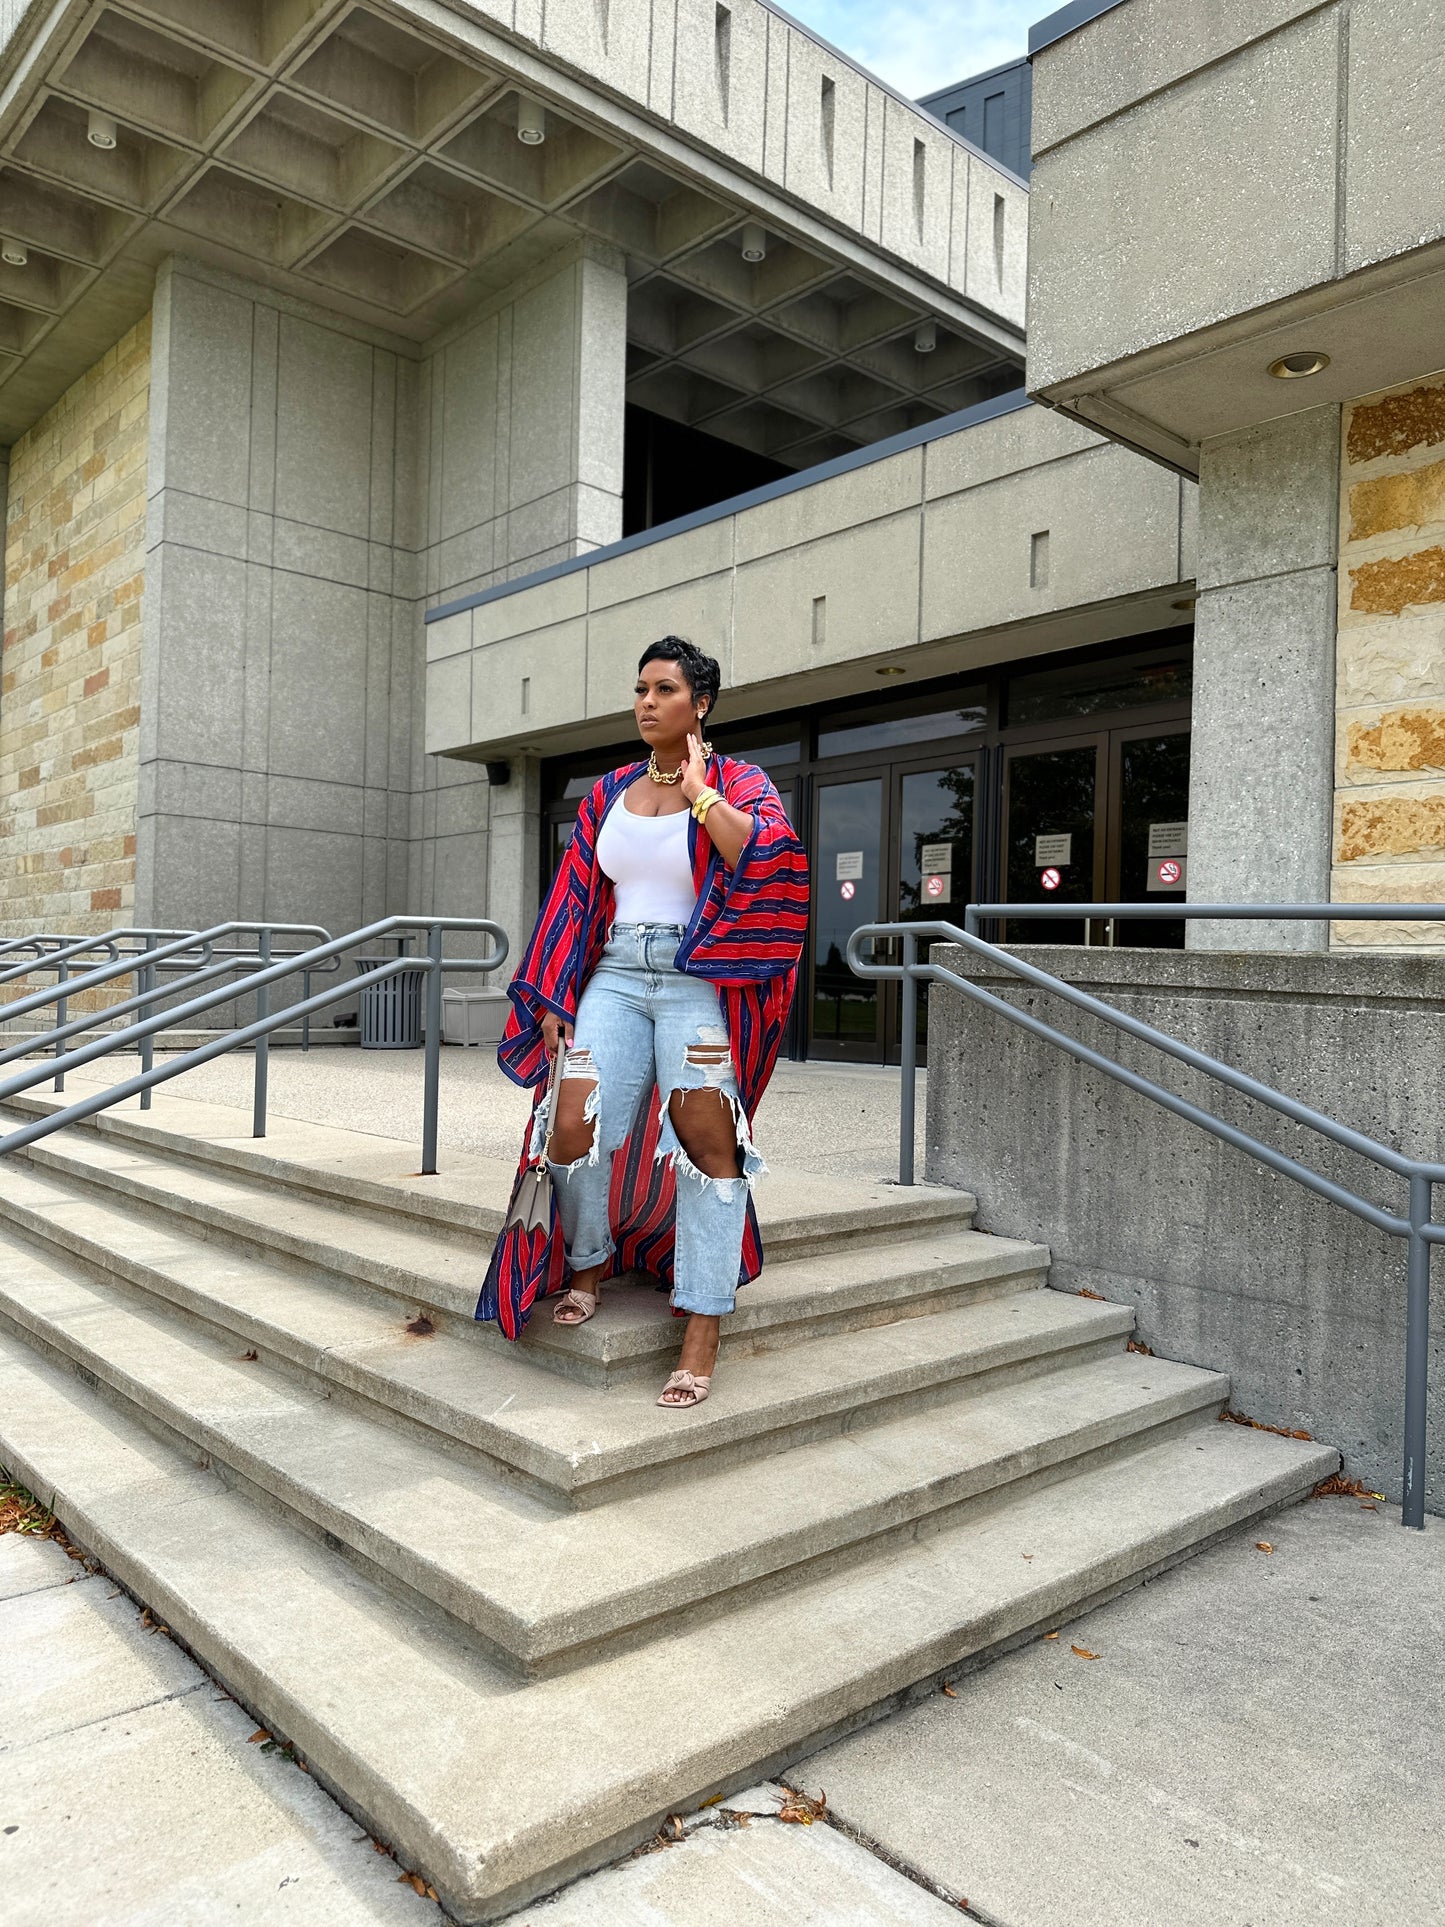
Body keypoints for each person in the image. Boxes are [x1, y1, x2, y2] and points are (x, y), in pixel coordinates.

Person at [477, 636, 808, 1408]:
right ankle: (587, 1259)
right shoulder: (609, 789)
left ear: (701, 703)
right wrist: (556, 993)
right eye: (640, 689)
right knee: (572, 1126)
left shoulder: (739, 781)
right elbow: (575, 895)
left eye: (664, 689)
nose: (646, 702)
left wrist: (700, 793)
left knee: (705, 1141)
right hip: (615, 975)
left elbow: (766, 863)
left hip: (697, 979)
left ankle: (701, 1322)